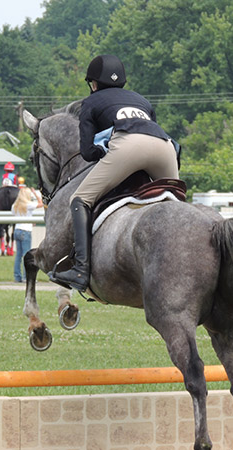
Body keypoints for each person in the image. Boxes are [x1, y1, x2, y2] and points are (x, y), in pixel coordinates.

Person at [49, 54, 180, 291]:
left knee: (79, 199)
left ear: (93, 84)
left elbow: (87, 152)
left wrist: (105, 150)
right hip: (166, 147)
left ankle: (80, 269)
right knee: (178, 209)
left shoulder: (91, 102)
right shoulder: (141, 100)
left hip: (129, 146)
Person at [11, 187, 43, 282]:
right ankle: (26, 277)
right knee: (27, 256)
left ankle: (17, 276)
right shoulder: (28, 204)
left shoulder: (15, 206)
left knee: (18, 255)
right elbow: (41, 203)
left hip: (17, 230)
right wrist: (36, 194)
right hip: (26, 231)